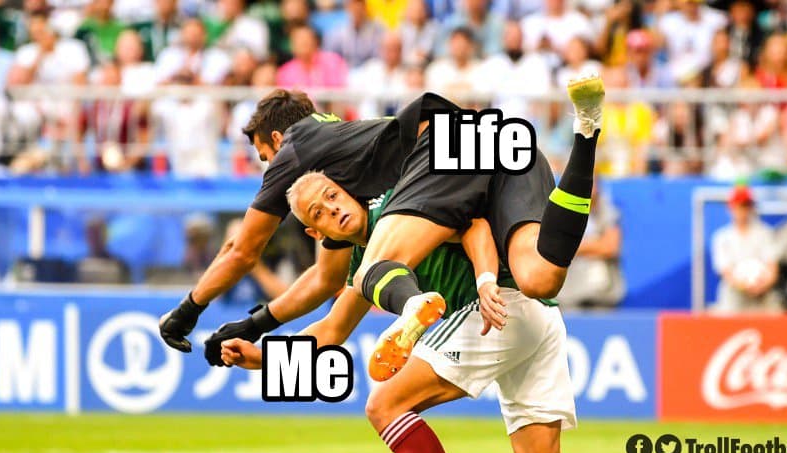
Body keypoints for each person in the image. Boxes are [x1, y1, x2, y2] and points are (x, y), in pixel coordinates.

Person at [218, 171, 667, 453]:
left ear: (349, 191)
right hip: (536, 316)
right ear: (316, 234)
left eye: (333, 196)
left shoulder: (395, 209)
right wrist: (261, 357)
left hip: (494, 305)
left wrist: (485, 280)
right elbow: (331, 331)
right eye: (318, 212)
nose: (332, 209)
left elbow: (471, 224)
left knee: (385, 405)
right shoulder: (366, 263)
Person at [162, 78, 605, 382]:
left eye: (265, 158)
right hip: (498, 151)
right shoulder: (345, 170)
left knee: (375, 268)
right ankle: (586, 135)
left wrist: (188, 310)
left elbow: (242, 250)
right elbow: (325, 284)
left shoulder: (295, 153)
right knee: (541, 277)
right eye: (320, 211)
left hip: (443, 147)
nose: (270, 172)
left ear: (275, 141)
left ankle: (411, 305)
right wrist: (255, 331)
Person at [710, 185, 781, 313]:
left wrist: (762, 284)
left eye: (745, 206)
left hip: (763, 291)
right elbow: (725, 271)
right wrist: (744, 285)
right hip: (735, 294)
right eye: (738, 206)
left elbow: (772, 267)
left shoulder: (765, 233)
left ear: (751, 207)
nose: (741, 211)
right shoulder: (722, 237)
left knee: (775, 307)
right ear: (730, 208)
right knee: (728, 305)